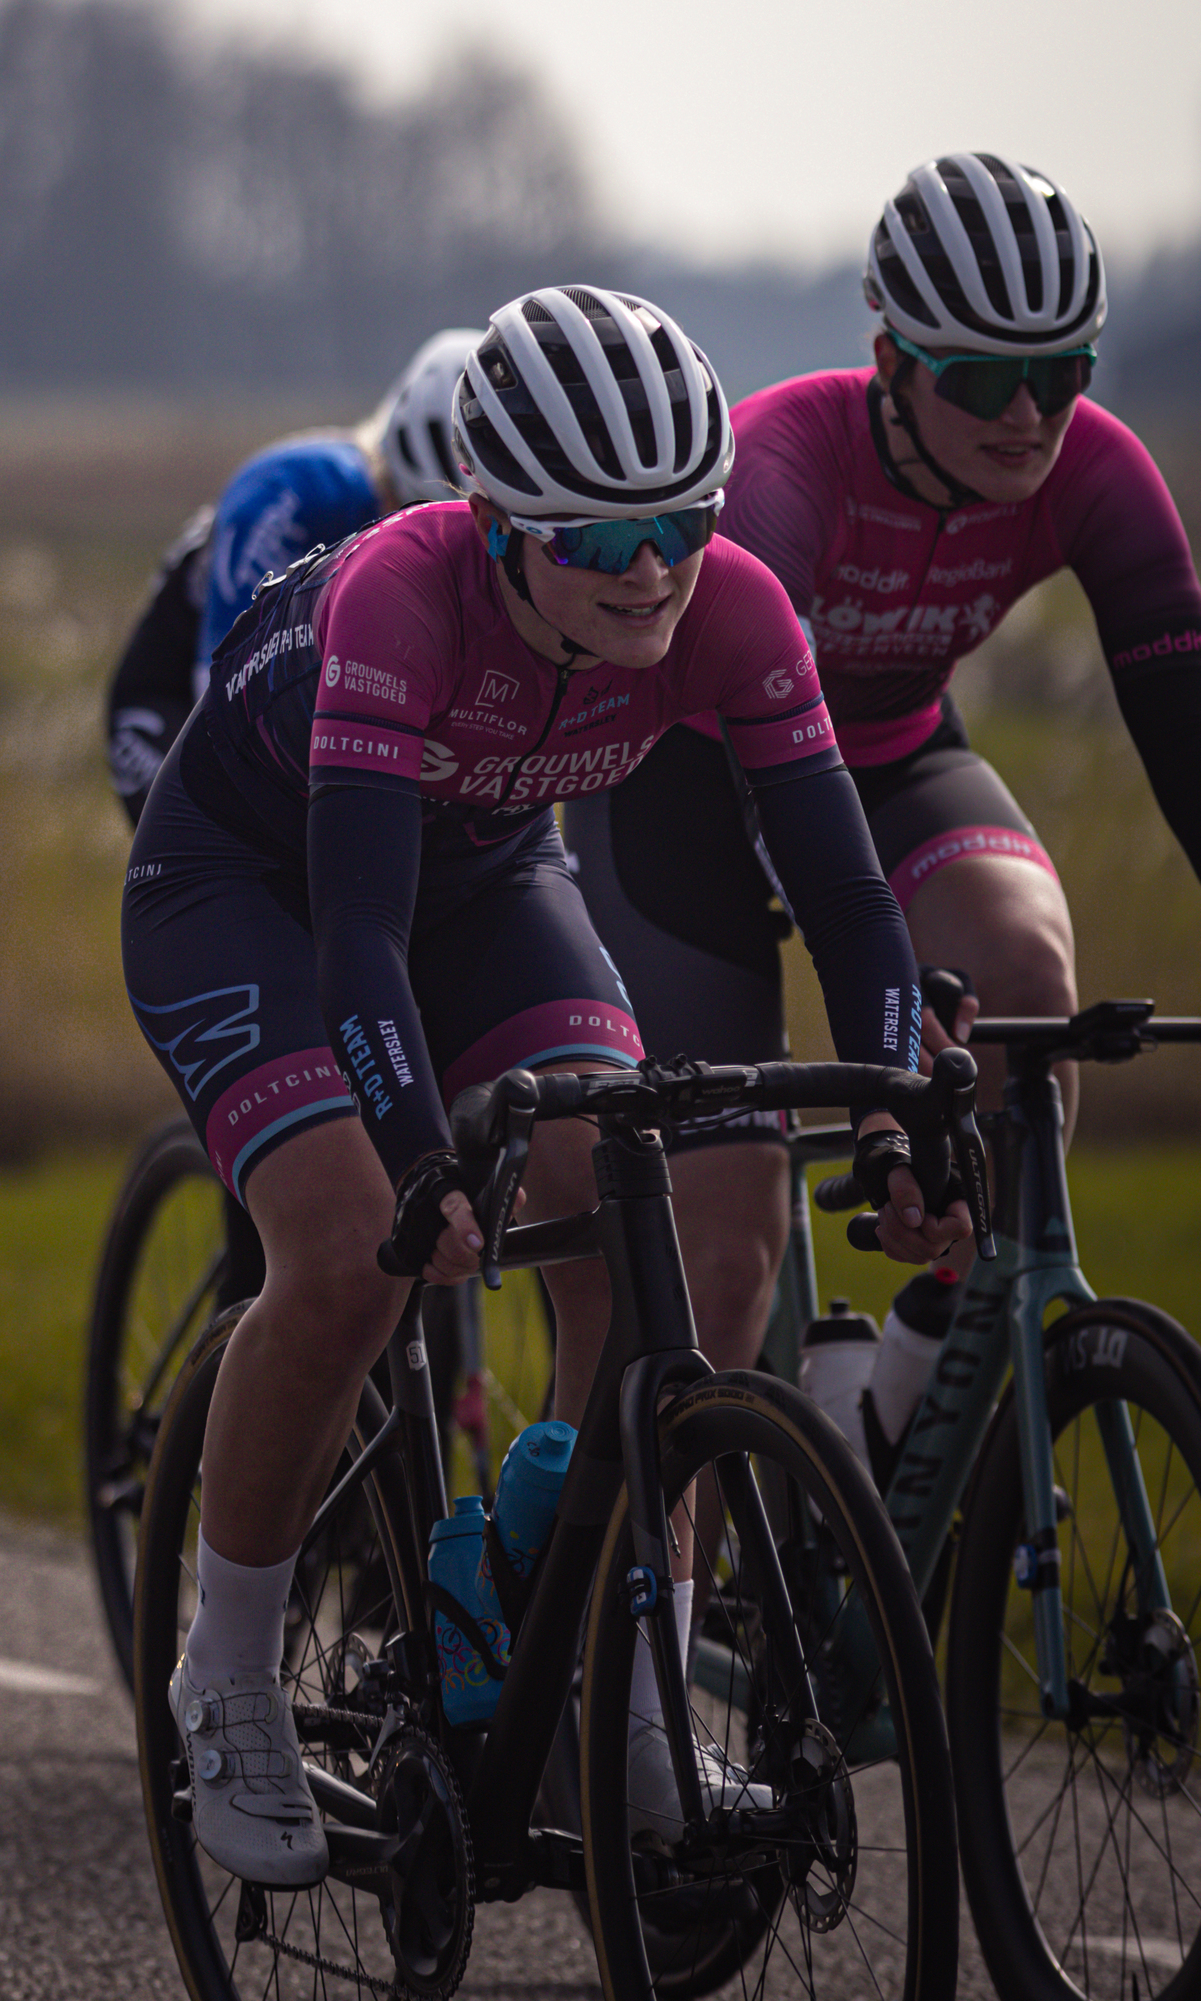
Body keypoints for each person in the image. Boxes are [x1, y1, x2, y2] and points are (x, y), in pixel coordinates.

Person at [121, 284, 965, 1886]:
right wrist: (423, 1159)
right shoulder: (398, 597)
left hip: (494, 879)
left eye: (682, 523)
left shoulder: (729, 607)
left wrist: (899, 1101)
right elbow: (358, 929)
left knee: (630, 1235)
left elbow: (851, 900)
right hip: (250, 891)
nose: (650, 569)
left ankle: (620, 1686)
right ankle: (225, 1671)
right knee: (348, 1245)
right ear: (500, 524)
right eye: (595, 540)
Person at [566, 151, 1201, 1410]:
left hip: (899, 747)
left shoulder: (1095, 470)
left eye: (1058, 373)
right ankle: (636, 1588)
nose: (1025, 415)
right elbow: (776, 791)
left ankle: (900, 1397)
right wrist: (890, 1005)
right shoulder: (780, 470)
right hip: (694, 789)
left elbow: (1182, 733)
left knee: (1025, 984)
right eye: (978, 375)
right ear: (891, 358)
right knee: (728, 1255)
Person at [105, 327, 480, 824]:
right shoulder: (301, 486)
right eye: (407, 512)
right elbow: (220, 690)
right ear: (390, 476)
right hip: (174, 706)